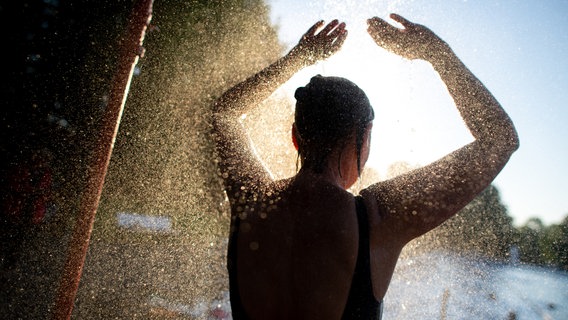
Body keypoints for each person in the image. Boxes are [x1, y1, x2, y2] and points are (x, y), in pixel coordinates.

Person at [212, 14, 519, 319]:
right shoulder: (379, 217)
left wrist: (298, 58)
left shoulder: (249, 199)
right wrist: (435, 51)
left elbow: (224, 114)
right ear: (364, 138)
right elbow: (500, 139)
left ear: (295, 137)